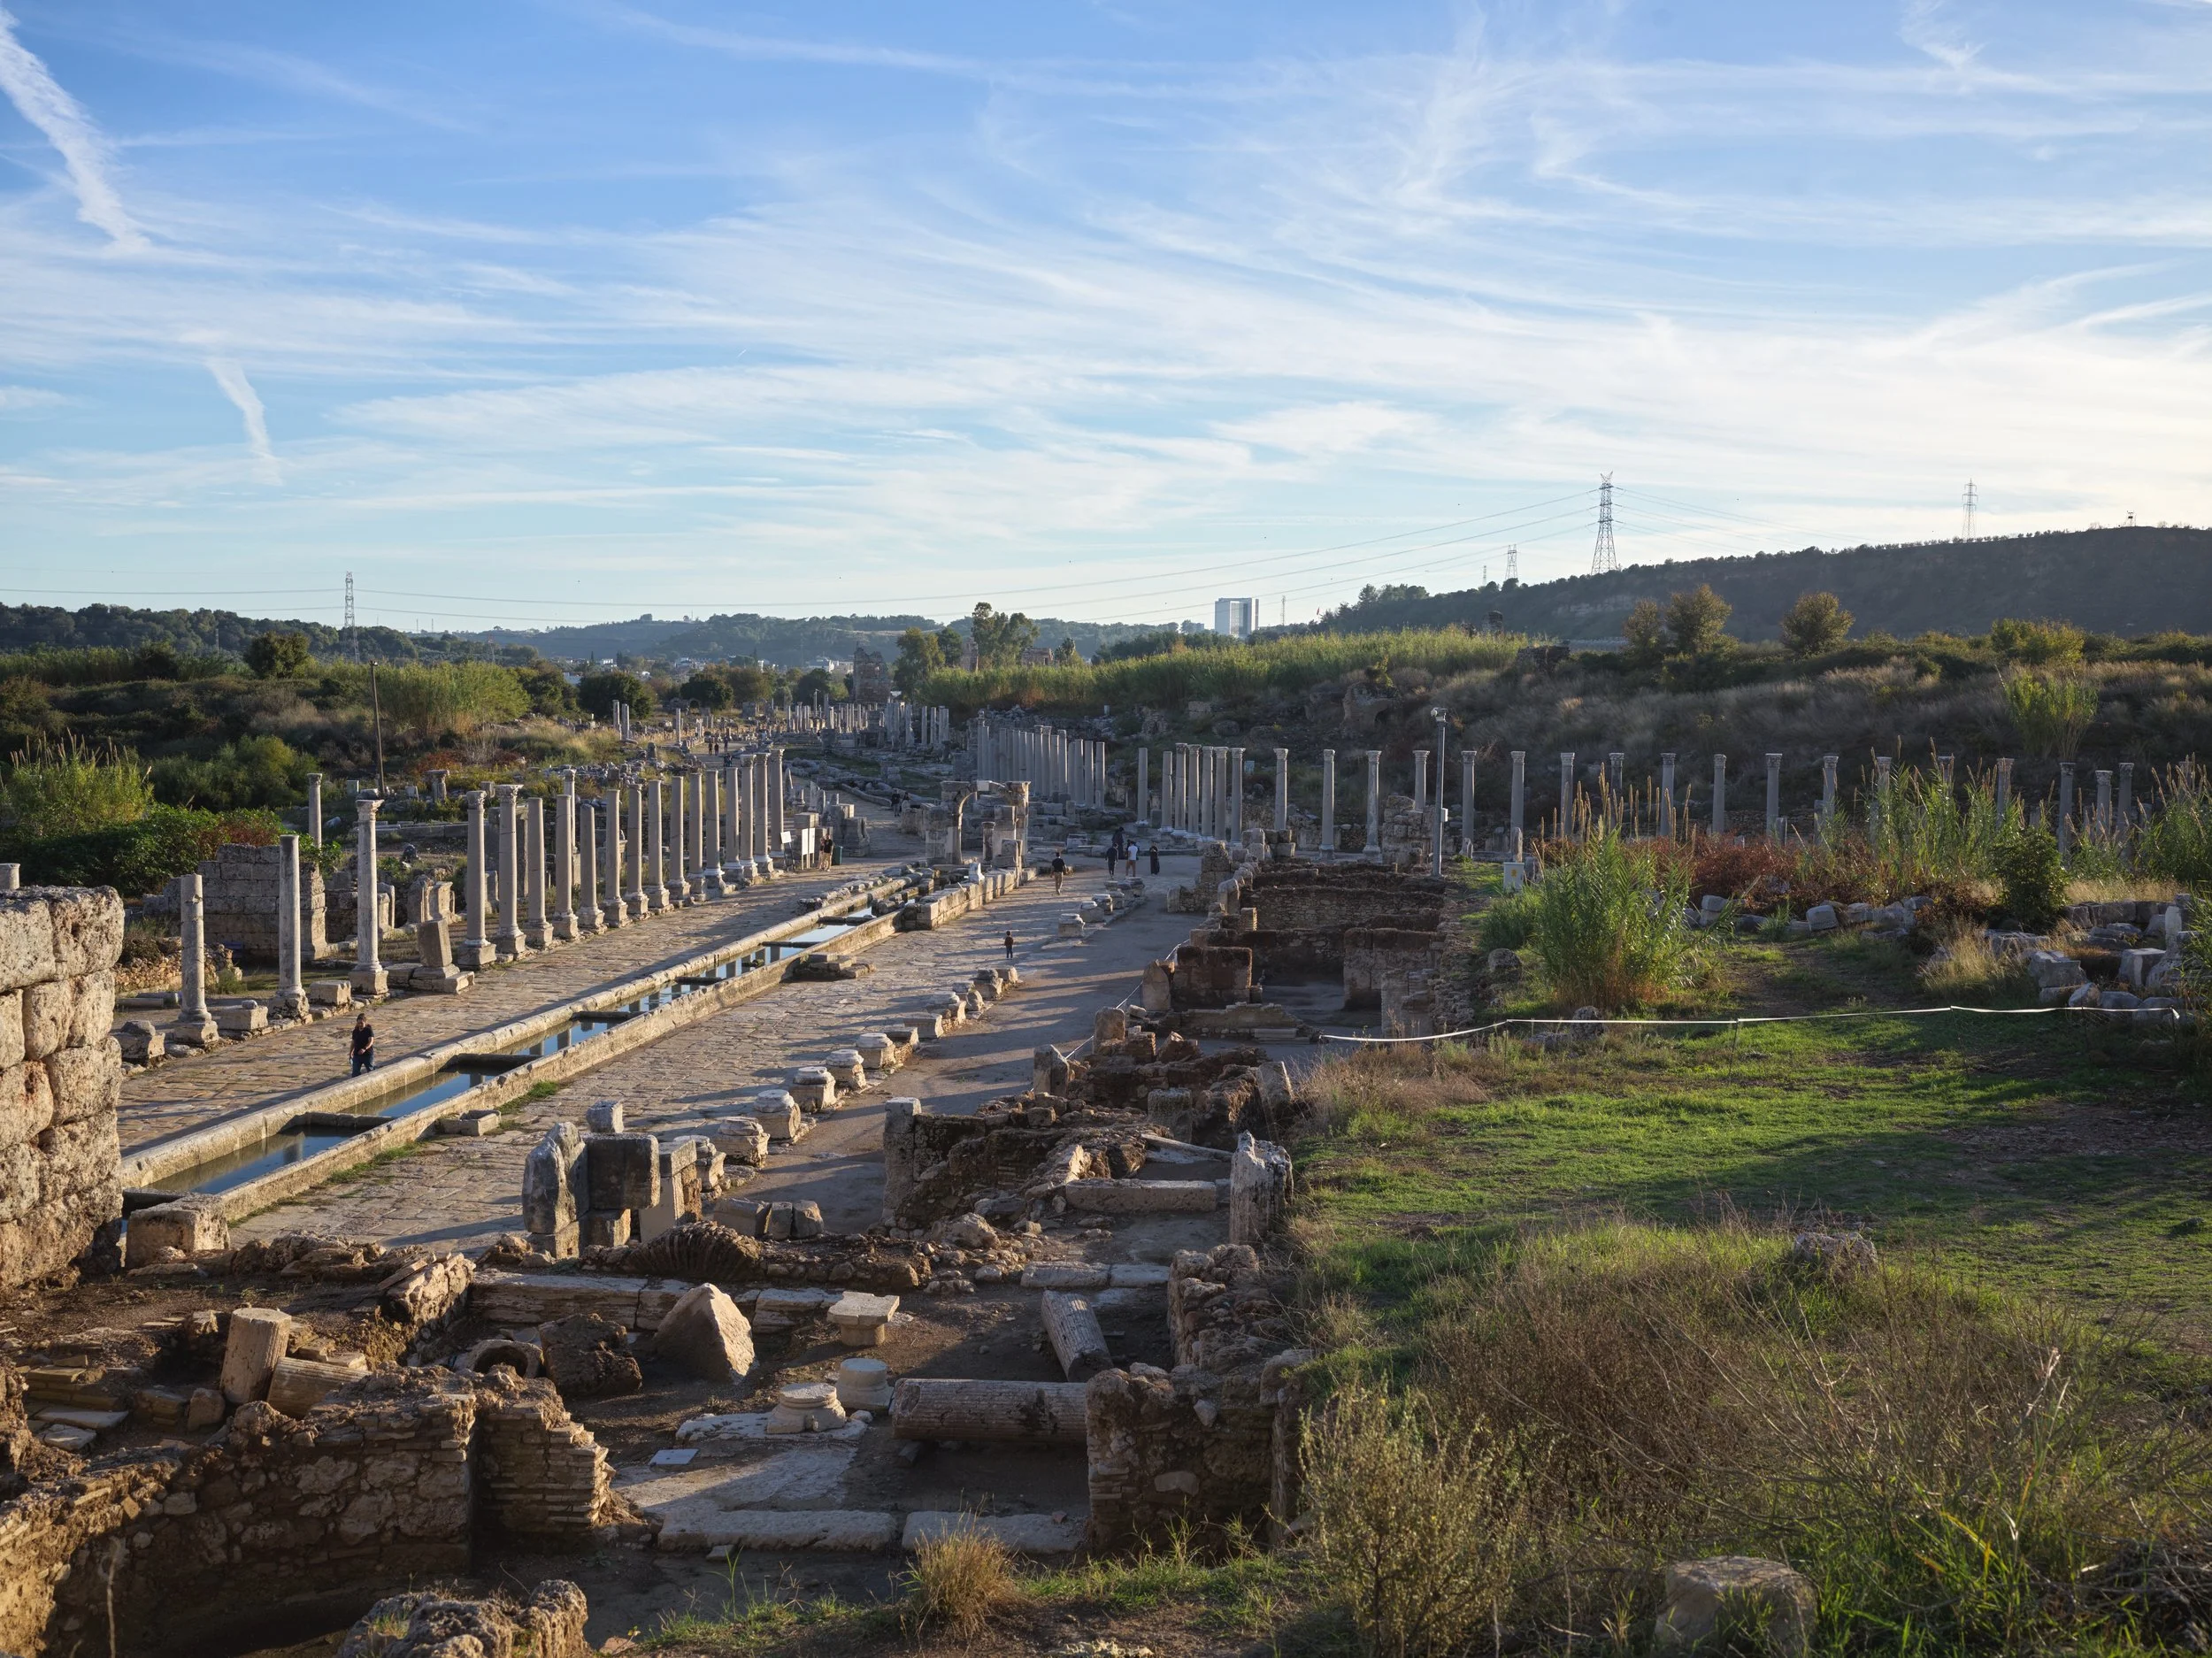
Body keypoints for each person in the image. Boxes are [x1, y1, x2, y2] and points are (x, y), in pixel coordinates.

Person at [349, 1012, 375, 1077]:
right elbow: (353, 1042)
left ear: (365, 1022)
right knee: (355, 1072)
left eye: (361, 1023)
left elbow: (371, 1041)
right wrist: (351, 1053)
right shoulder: (355, 1031)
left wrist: (364, 1049)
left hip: (367, 1055)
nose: (360, 1025)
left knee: (370, 1070)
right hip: (357, 1055)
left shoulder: (368, 1030)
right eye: (358, 1023)